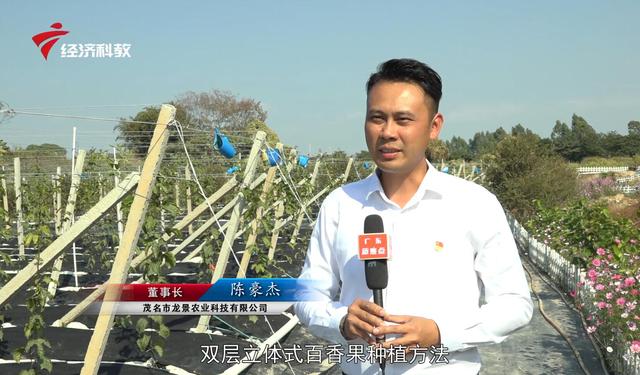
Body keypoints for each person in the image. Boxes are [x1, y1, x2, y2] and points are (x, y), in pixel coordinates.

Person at [295, 58, 533, 374]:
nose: (387, 132)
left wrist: (438, 332)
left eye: (403, 119)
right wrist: (341, 321)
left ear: (434, 126)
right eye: (376, 118)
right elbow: (307, 295)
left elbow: (515, 304)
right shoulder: (340, 205)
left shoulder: (474, 204)